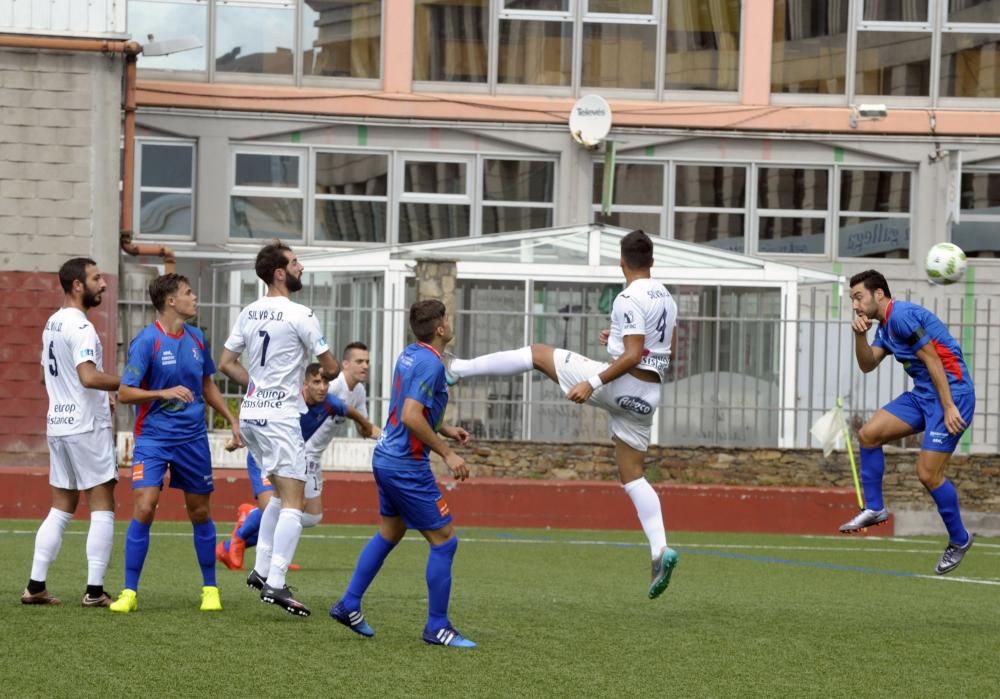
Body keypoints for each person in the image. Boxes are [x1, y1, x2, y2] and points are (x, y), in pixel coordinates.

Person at [443, 229, 679, 600]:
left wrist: (593, 382)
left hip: (621, 384)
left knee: (538, 353)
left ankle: (460, 369)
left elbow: (633, 354)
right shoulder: (665, 295)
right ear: (652, 260)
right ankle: (659, 549)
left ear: (622, 261)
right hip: (648, 395)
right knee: (633, 475)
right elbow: (659, 347)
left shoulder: (627, 296)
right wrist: (615, 339)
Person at [329, 300, 475, 648]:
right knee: (445, 541)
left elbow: (412, 410)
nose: (450, 324)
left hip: (386, 457)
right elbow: (411, 415)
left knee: (390, 532)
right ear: (440, 329)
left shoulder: (410, 353)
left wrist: (446, 428)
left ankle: (349, 604)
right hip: (406, 466)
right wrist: (447, 452)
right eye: (448, 320)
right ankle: (437, 627)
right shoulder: (430, 364)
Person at [218, 241, 340, 617]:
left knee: (278, 494)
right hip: (281, 417)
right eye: (295, 262)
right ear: (279, 273)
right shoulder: (301, 313)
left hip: (253, 413)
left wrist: (255, 384)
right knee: (295, 501)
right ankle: (276, 582)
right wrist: (329, 371)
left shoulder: (249, 312)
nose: (301, 267)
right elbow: (331, 368)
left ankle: (261, 569)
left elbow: (225, 362)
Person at [108, 274, 242, 613]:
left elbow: (207, 385)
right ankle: (129, 592)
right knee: (144, 505)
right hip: (153, 438)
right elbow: (124, 392)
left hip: (193, 439)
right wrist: (161, 392)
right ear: (171, 301)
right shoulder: (146, 342)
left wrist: (232, 418)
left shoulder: (197, 338)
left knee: (199, 512)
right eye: (188, 293)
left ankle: (210, 589)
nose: (194, 298)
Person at [839, 270, 976, 574]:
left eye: (858, 297)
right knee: (869, 434)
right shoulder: (885, 326)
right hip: (925, 394)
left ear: (879, 294)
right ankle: (874, 508)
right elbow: (867, 364)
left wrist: (950, 406)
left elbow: (933, 360)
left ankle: (960, 539)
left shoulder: (901, 316)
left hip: (952, 393)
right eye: (852, 300)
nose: (855, 305)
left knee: (927, 474)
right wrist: (859, 336)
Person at [22, 258, 120, 607]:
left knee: (61, 506)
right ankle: (95, 591)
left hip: (58, 424)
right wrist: (129, 383)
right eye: (96, 278)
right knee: (103, 504)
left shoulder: (52, 323)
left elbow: (45, 377)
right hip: (85, 425)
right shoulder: (80, 327)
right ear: (77, 285)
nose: (103, 284)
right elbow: (89, 377)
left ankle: (35, 586)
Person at [217, 356, 377, 569]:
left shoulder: (330, 403)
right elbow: (260, 423)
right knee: (275, 509)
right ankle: (236, 540)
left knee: (307, 516)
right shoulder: (289, 402)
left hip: (288, 460)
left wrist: (367, 426)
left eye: (326, 382)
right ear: (305, 384)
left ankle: (252, 519)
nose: (322, 387)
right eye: (316, 382)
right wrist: (235, 442)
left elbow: (350, 411)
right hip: (263, 460)